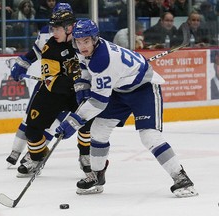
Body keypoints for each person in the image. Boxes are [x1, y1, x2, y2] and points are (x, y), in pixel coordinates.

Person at [55, 19, 198, 198]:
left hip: (143, 88)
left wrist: (73, 122)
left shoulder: (103, 60)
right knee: (98, 130)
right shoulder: (83, 49)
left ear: (94, 39)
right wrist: (83, 85)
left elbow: (99, 102)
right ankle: (96, 176)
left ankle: (181, 177)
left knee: (149, 136)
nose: (82, 45)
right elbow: (84, 65)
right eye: (79, 41)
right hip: (120, 88)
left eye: (86, 41)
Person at [6, 4, 92, 178]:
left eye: (57, 29)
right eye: (53, 28)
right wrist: (74, 81)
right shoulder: (51, 47)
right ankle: (37, 157)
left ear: (69, 28)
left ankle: (86, 156)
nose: (54, 32)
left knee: (88, 121)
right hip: (57, 92)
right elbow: (52, 81)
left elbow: (99, 65)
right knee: (32, 128)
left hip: (80, 92)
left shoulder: (85, 40)